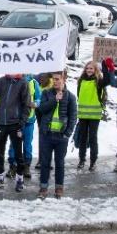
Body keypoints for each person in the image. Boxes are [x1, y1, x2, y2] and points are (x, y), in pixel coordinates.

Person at [36, 70, 78, 200]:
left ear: (63, 80)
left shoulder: (70, 97)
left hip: (61, 137)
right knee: (45, 163)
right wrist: (55, 100)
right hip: (46, 135)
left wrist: (67, 133)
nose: (55, 81)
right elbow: (42, 109)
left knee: (59, 163)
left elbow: (73, 117)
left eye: (58, 79)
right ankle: (43, 188)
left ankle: (59, 187)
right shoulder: (46, 93)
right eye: (54, 79)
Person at [75, 58, 115, 171]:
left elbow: (107, 80)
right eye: (87, 68)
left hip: (94, 115)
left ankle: (93, 162)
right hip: (83, 114)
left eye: (91, 68)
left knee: (92, 138)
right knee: (82, 138)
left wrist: (105, 66)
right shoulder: (81, 80)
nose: (89, 70)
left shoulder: (98, 81)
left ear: (95, 70)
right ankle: (81, 160)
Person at [14, 74, 41, 179]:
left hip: (29, 119)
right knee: (14, 144)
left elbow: (39, 98)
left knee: (27, 144)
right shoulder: (14, 80)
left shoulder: (34, 83)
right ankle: (14, 165)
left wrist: (35, 103)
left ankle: (26, 166)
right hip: (15, 120)